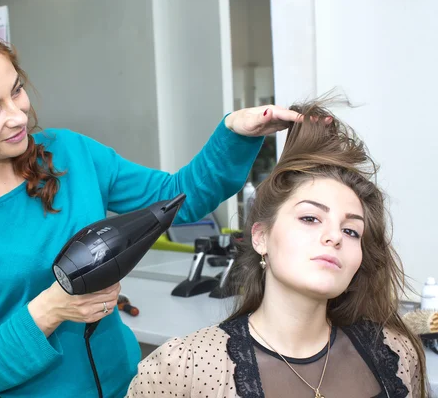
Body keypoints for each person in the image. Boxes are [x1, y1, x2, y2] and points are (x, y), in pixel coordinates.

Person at [0, 19, 301, 398]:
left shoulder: (69, 155)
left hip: (126, 385)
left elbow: (178, 197)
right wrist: (51, 309)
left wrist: (236, 133)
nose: (18, 116)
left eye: (16, 89)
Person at [126, 99, 429, 398]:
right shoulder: (181, 370)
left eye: (351, 231)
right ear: (260, 238)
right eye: (310, 218)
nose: (334, 237)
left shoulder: (398, 354)